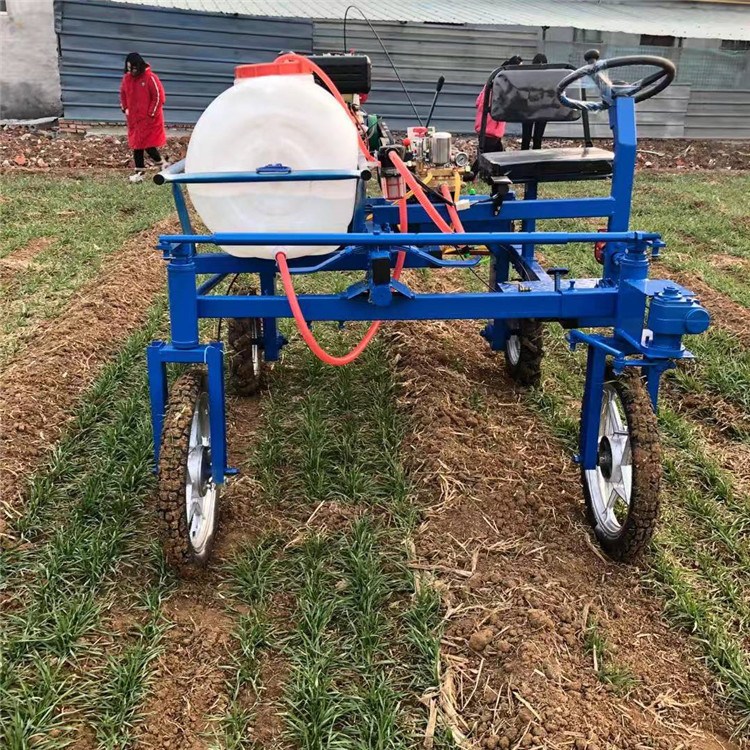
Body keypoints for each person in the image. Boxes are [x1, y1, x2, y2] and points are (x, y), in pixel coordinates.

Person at [120, 53, 167, 183]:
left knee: (148, 145)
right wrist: (125, 108)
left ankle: (160, 165)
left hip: (149, 119)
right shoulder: (127, 79)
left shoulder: (150, 78)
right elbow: (123, 94)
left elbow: (159, 97)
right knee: (137, 145)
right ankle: (142, 172)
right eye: (129, 68)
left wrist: (151, 113)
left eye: (133, 68)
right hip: (134, 120)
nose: (131, 71)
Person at [474, 56, 522, 155]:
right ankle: (475, 170)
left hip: (487, 129)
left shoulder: (492, 82)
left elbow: (478, 102)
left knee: (488, 154)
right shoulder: (500, 87)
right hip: (491, 130)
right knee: (490, 158)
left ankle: (475, 170)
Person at [521, 53, 548, 150]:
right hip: (541, 109)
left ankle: (524, 157)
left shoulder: (528, 75)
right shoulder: (548, 77)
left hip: (529, 109)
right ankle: (535, 158)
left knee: (527, 137)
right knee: (537, 138)